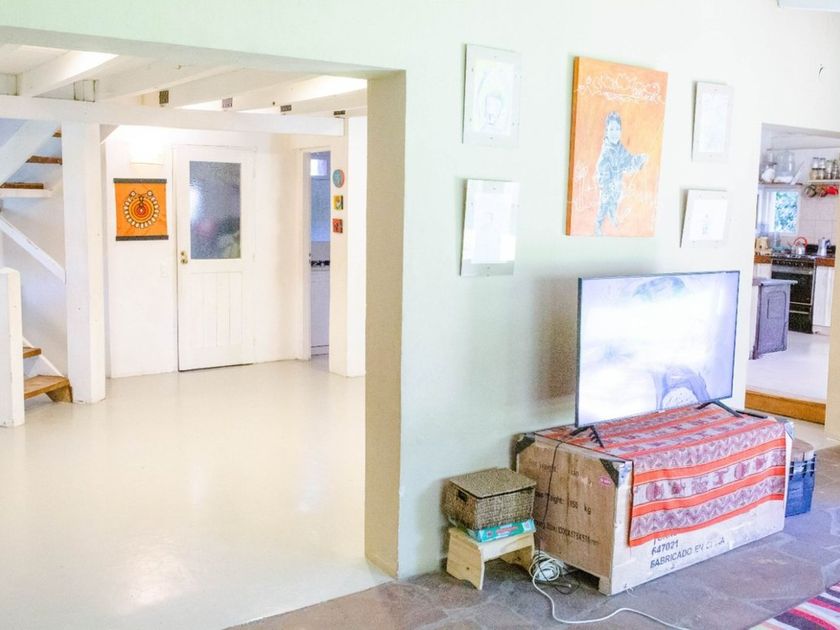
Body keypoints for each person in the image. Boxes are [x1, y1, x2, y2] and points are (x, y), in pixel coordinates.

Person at [595, 112, 647, 235]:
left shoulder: (620, 148)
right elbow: (601, 172)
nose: (614, 133)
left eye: (617, 129)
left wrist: (639, 160)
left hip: (617, 186)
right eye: (611, 129)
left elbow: (628, 161)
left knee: (614, 203)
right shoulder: (606, 152)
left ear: (621, 131)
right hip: (607, 187)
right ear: (606, 131)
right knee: (604, 205)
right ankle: (598, 224)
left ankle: (613, 217)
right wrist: (607, 186)